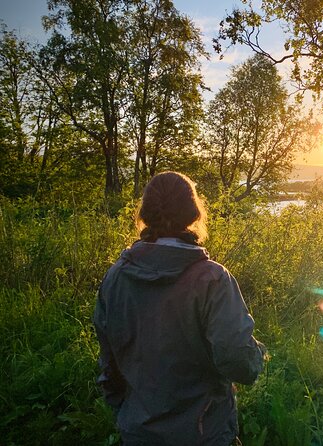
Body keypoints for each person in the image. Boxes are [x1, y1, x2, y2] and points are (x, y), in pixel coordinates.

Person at [94, 171, 265, 445]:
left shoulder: (116, 277)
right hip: (203, 434)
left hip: (138, 432)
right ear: (194, 215)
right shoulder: (213, 279)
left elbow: (109, 361)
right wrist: (258, 356)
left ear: (145, 214)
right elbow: (237, 360)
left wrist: (124, 409)